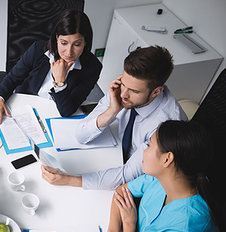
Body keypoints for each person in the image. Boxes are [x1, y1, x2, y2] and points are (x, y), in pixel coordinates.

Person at [93, 120, 225, 232]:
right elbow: (121, 191)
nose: (143, 151)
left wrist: (129, 224)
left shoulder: (188, 228)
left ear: (167, 158)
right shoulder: (162, 178)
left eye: (148, 145)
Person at [42, 46, 187, 190]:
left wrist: (69, 180)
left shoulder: (166, 124)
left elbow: (127, 174)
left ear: (156, 92)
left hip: (145, 179)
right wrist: (112, 110)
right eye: (123, 83)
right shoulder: (122, 90)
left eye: (134, 91)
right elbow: (81, 135)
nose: (123, 94)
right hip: (114, 154)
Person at [0, 10, 102, 124]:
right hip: (26, 106)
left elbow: (66, 111)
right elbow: (13, 78)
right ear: (57, 37)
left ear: (85, 42)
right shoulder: (38, 49)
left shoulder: (93, 67)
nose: (69, 52)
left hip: (55, 115)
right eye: (64, 43)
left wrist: (60, 82)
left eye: (77, 44)